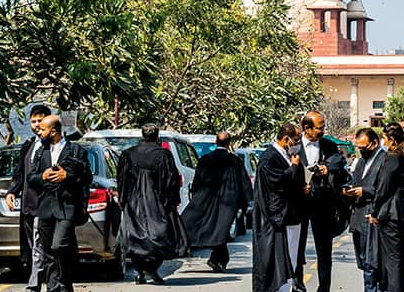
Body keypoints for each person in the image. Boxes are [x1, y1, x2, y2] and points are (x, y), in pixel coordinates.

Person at [27, 115, 93, 292]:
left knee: (59, 246)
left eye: (42, 129)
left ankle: (63, 281)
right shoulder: (41, 151)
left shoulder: (76, 150)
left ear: (53, 131)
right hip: (46, 208)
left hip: (67, 208)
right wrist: (42, 176)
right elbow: (31, 178)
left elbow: (87, 177)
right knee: (48, 252)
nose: (38, 132)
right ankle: (56, 288)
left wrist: (68, 176)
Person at [117, 123, 189, 285]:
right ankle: (149, 269)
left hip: (133, 202)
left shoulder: (128, 154)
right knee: (160, 235)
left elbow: (122, 180)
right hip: (157, 202)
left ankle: (141, 270)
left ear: (142, 135)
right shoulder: (163, 155)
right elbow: (171, 180)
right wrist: (172, 201)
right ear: (157, 137)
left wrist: (123, 199)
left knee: (135, 236)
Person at [181, 131, 253, 273]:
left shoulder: (206, 159)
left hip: (206, 199)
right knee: (222, 231)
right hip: (228, 201)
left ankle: (217, 259)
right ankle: (218, 260)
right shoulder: (234, 161)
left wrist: (195, 197)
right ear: (229, 143)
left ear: (216, 142)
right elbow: (244, 182)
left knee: (214, 229)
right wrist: (246, 203)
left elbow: (197, 181)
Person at [295, 111, 348, 292]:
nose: (323, 130)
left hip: (323, 203)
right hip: (300, 203)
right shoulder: (294, 145)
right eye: (319, 127)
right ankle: (297, 284)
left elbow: (340, 161)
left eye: (324, 126)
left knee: (324, 249)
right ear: (306, 128)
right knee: (297, 246)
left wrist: (327, 168)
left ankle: (324, 287)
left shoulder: (328, 145)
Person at [253, 123, 307, 292]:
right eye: (296, 140)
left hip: (291, 217)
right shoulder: (270, 158)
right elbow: (276, 184)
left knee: (290, 259)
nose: (297, 144)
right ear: (286, 139)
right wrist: (293, 168)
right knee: (275, 261)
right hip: (277, 219)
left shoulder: (287, 156)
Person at [6, 104, 51, 292]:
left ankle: (34, 286)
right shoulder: (28, 146)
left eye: (40, 120)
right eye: (33, 121)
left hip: (45, 205)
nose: (37, 125)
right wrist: (12, 191)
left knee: (39, 247)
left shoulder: (55, 147)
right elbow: (20, 173)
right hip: (27, 205)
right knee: (34, 246)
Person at [368, 123, 404, 292]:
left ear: (391, 140)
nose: (383, 142)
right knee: (403, 257)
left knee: (392, 260)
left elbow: (383, 187)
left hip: (392, 214)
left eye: (384, 138)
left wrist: (374, 211)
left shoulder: (393, 157)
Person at [344, 128, 387, 292]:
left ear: (374, 143)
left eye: (363, 147)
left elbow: (385, 189)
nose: (361, 151)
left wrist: (366, 191)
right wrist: (349, 190)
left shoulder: (384, 160)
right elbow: (356, 181)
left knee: (372, 264)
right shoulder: (361, 162)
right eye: (358, 148)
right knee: (364, 262)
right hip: (359, 217)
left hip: (373, 216)